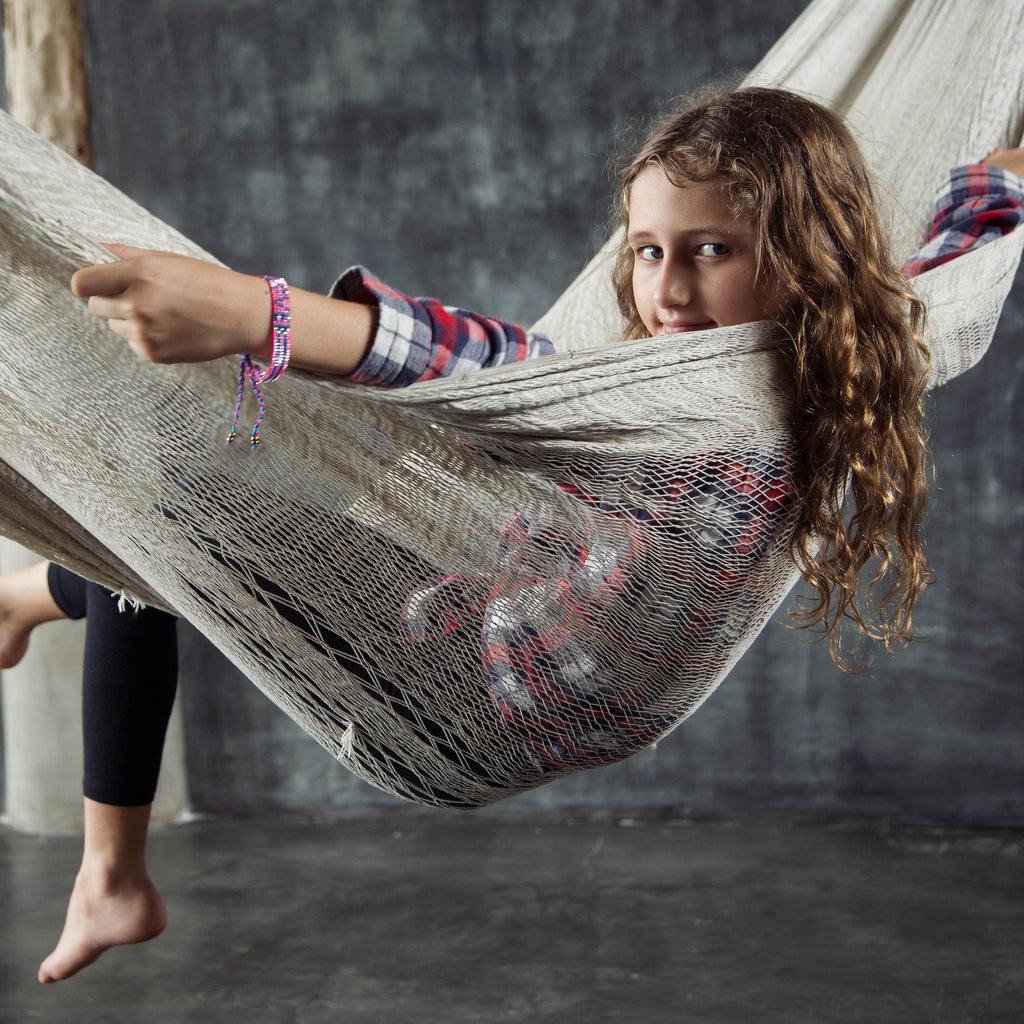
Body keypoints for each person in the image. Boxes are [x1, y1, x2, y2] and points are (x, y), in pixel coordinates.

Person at [0, 88, 1021, 983]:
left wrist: (267, 317)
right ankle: (31, 600)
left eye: (713, 250)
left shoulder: (750, 388)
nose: (666, 291)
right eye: (649, 250)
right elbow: (955, 252)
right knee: (215, 543)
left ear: (804, 254)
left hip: (479, 686)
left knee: (176, 507)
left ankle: (110, 873)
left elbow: (502, 377)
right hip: (493, 615)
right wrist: (1005, 170)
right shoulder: (863, 345)